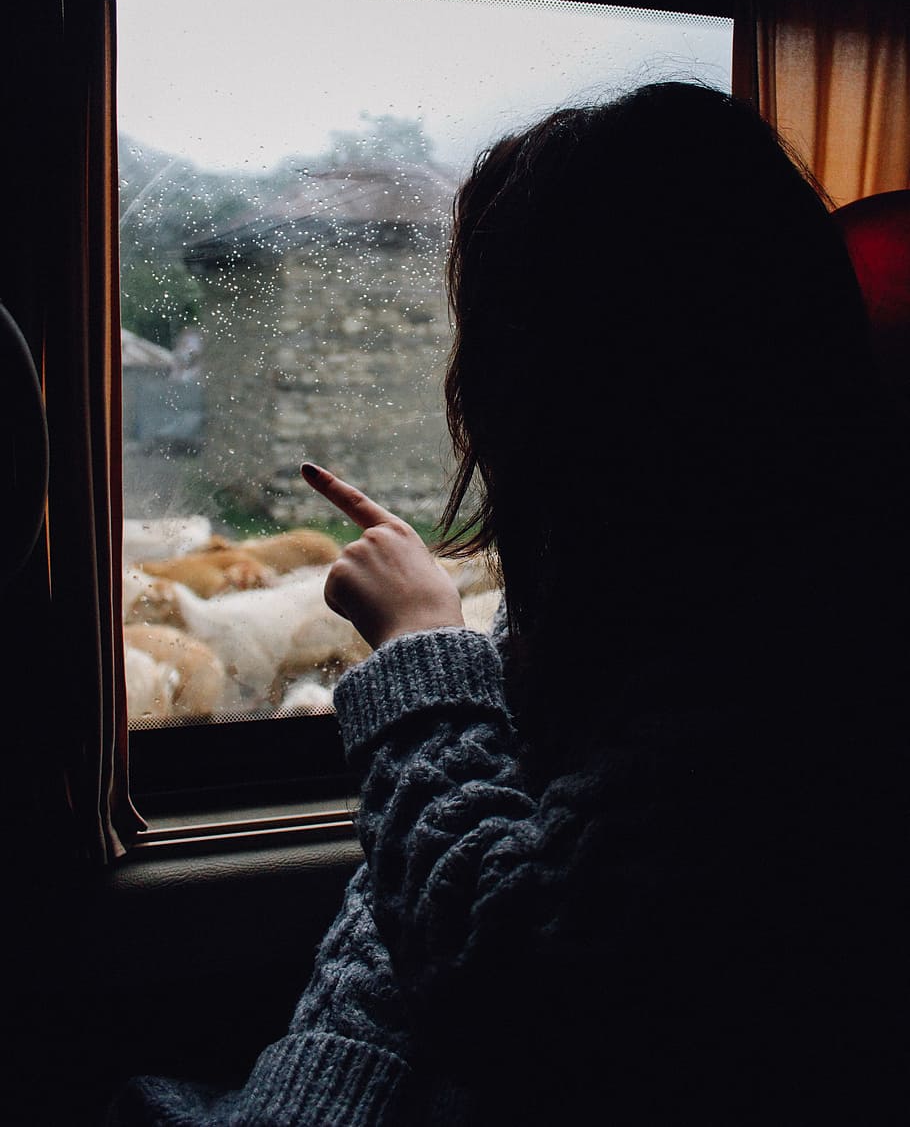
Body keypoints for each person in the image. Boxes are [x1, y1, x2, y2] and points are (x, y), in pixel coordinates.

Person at [111, 82, 910, 1125]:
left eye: (492, 331)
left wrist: (416, 652)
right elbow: (436, 931)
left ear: (585, 379)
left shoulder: (788, 677)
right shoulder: (641, 604)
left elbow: (523, 989)